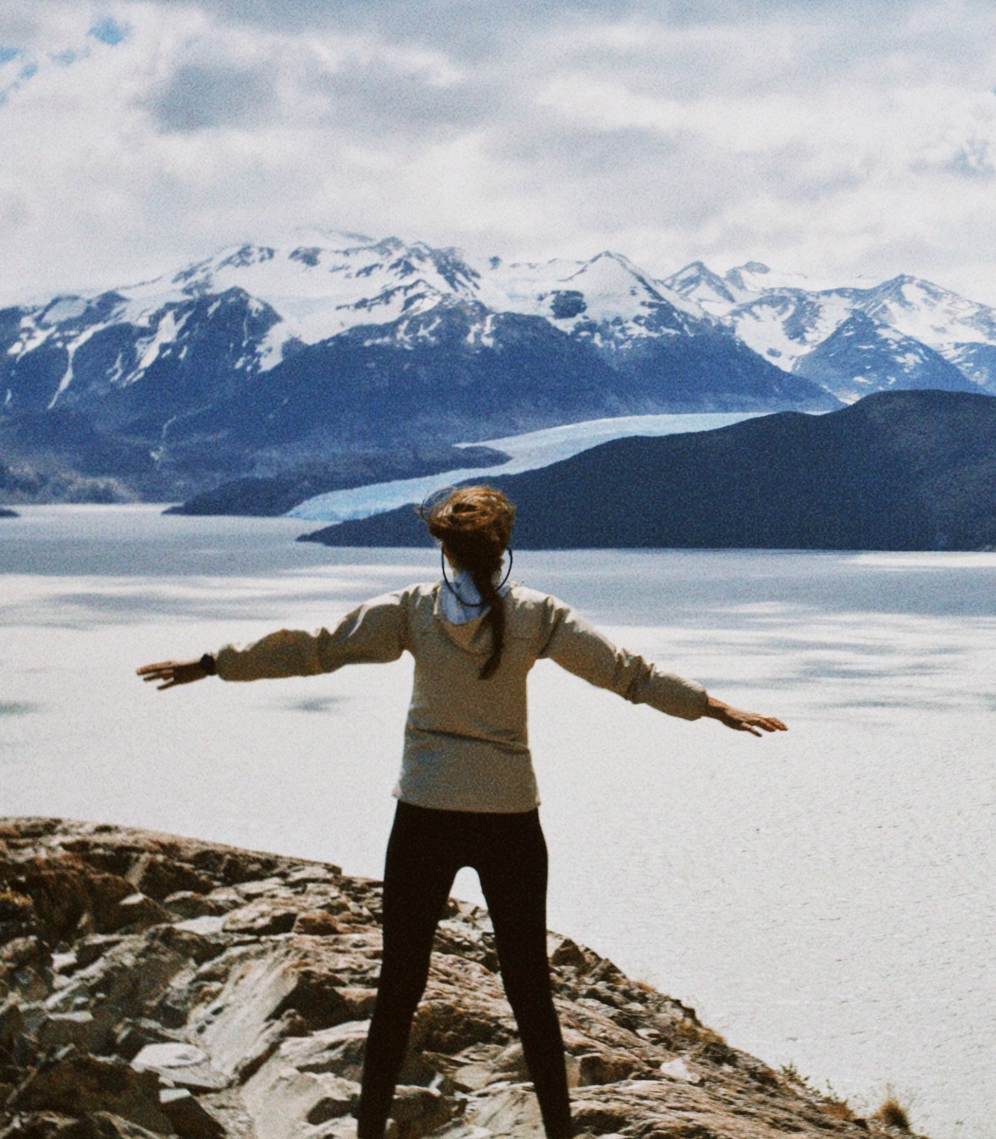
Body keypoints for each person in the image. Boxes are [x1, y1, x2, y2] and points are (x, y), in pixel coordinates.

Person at [138, 486, 786, 1139]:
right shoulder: (538, 614)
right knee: (530, 987)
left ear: (443, 549)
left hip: (425, 811)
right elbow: (627, 674)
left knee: (400, 985)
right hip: (509, 816)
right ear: (505, 548)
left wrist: (213, 664)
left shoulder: (414, 610)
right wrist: (711, 706)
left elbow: (316, 647)